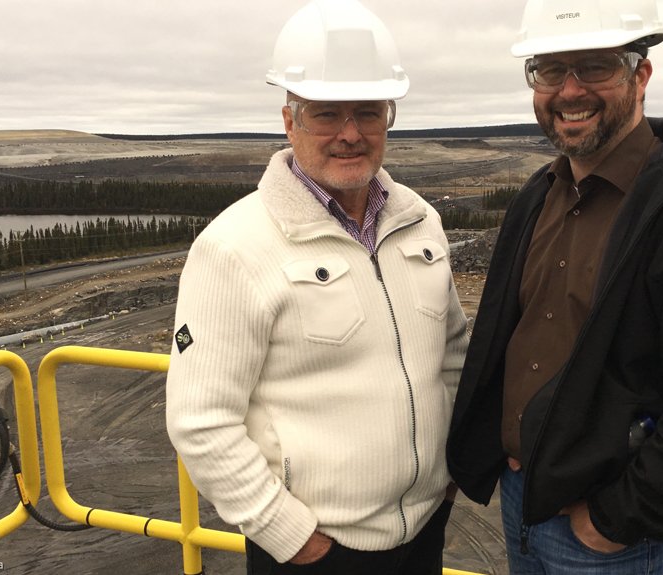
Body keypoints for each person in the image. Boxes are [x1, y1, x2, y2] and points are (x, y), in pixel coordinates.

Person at [447, 0, 663, 573]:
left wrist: (616, 519)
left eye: (595, 66)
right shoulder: (538, 197)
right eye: (551, 70)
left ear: (641, 75)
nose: (569, 91)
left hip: (619, 539)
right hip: (523, 502)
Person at [165, 1, 468, 573]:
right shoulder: (233, 247)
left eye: (368, 112)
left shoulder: (420, 222)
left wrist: (448, 476)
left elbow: (449, 357)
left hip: (425, 531)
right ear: (290, 120)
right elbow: (200, 419)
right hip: (316, 552)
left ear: (389, 117)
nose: (350, 134)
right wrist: (289, 535)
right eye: (327, 113)